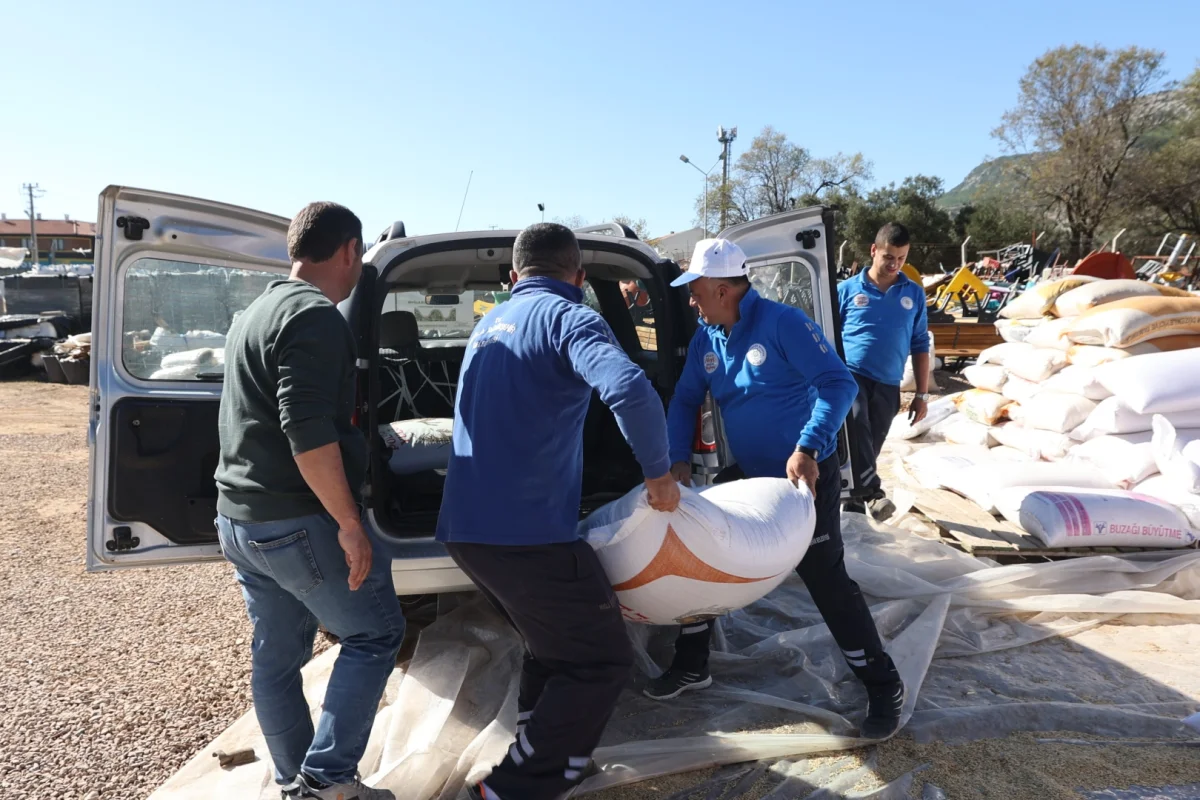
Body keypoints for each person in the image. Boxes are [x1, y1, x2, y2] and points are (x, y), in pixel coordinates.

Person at [436, 223, 680, 800]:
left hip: (467, 531)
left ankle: (536, 747)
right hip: (526, 534)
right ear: (578, 276)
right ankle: (517, 787)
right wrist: (660, 476)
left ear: (513, 276)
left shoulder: (488, 325)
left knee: (553, 645)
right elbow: (631, 389)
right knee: (600, 660)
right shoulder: (572, 317)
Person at [647, 238, 906, 741]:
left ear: (723, 289)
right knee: (698, 553)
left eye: (696, 292)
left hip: (803, 475)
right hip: (749, 475)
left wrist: (809, 447)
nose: (691, 303)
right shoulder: (708, 337)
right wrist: (677, 460)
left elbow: (839, 384)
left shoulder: (783, 323)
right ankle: (693, 663)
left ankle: (882, 684)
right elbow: (682, 401)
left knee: (825, 579)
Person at [214, 202, 403, 800]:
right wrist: (350, 522)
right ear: (349, 250)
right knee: (374, 635)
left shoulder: (254, 312)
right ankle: (327, 783)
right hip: (294, 520)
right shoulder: (317, 317)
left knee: (276, 657)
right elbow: (308, 431)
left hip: (239, 520)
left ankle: (298, 782)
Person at [838, 223, 930, 520]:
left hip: (889, 382)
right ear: (873, 251)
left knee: (871, 444)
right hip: (851, 375)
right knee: (856, 421)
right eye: (888, 257)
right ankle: (875, 493)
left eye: (901, 258)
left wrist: (922, 394)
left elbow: (920, 344)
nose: (894, 264)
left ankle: (853, 506)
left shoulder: (913, 294)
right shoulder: (846, 290)